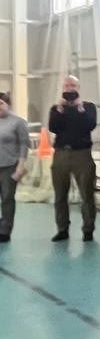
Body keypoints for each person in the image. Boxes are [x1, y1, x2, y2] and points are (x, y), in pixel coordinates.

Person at [48, 74, 98, 243]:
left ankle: (88, 229)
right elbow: (53, 127)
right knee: (60, 194)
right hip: (61, 153)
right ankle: (62, 229)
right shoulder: (56, 109)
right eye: (67, 86)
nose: (70, 89)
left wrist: (79, 108)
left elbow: (90, 125)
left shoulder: (88, 107)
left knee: (87, 194)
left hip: (82, 154)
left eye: (73, 86)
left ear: (78, 88)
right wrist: (60, 109)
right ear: (63, 88)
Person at [0, 92, 29, 244]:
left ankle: (5, 230)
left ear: (8, 104)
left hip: (9, 166)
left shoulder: (18, 122)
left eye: (1, 103)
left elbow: (24, 144)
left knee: (7, 198)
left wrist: (20, 166)